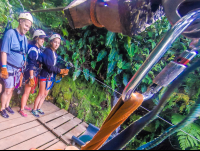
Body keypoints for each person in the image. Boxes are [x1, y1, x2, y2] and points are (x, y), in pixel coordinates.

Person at [0, 13, 33, 118]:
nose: (27, 29)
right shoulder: (10, 34)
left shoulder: (24, 38)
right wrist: (4, 68)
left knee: (12, 88)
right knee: (7, 89)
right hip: (9, 67)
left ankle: (7, 105)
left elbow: (23, 53)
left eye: (29, 27)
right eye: (26, 25)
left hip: (18, 70)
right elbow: (4, 51)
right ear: (20, 21)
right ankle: (2, 108)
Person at [31, 34, 69, 117]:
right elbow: (49, 66)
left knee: (45, 94)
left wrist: (62, 71)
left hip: (50, 76)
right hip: (44, 75)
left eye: (58, 43)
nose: (56, 44)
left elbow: (54, 66)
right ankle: (34, 109)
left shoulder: (54, 53)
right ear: (51, 42)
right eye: (55, 42)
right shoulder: (48, 51)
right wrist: (61, 71)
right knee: (41, 94)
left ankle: (38, 108)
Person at [19, 29, 47, 117]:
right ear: (36, 39)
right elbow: (30, 65)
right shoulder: (33, 50)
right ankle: (22, 109)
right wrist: (31, 77)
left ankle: (24, 105)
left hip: (33, 73)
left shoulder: (37, 49)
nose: (43, 41)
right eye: (41, 39)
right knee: (26, 92)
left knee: (28, 91)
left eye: (44, 39)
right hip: (29, 73)